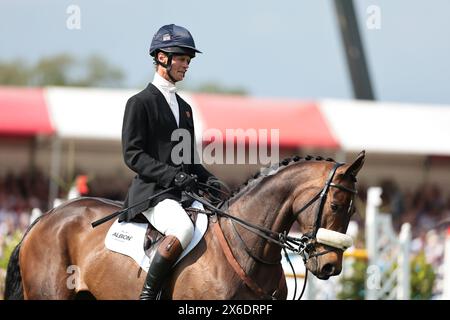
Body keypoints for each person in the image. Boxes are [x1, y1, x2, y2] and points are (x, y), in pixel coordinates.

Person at [120, 24, 223, 300]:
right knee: (183, 228)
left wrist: (210, 179)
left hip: (182, 194)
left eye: (189, 60)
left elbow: (188, 159)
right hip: (153, 194)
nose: (187, 64)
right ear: (162, 57)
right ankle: (148, 295)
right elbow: (133, 154)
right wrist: (171, 176)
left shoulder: (185, 109)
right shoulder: (139, 103)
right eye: (182, 58)